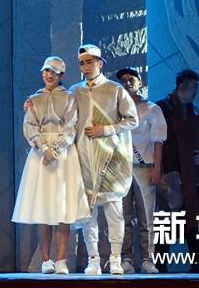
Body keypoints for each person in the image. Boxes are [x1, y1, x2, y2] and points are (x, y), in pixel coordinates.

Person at [13, 57, 88, 275]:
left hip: (63, 154)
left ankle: (62, 259)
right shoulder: (34, 99)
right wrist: (43, 148)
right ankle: (46, 260)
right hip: (40, 154)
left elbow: (71, 126)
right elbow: (29, 126)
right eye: (46, 71)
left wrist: (56, 148)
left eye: (54, 72)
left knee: (63, 208)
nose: (49, 75)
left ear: (61, 75)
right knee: (43, 208)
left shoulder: (69, 97)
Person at [70, 44, 138, 275]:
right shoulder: (75, 91)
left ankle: (115, 259)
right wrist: (33, 105)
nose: (85, 67)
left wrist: (106, 130)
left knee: (114, 211)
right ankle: (93, 260)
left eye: (90, 62)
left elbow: (132, 120)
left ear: (100, 63)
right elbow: (63, 115)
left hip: (112, 158)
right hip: (84, 159)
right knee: (87, 213)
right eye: (82, 63)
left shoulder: (114, 89)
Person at [154, 68, 199, 272]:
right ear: (181, 87)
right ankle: (160, 265)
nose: (195, 92)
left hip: (192, 174)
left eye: (196, 87)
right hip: (169, 172)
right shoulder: (161, 108)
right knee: (166, 219)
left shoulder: (198, 112)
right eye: (193, 87)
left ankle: (196, 264)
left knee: (194, 217)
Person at [116, 67, 166, 274]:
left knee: (147, 216)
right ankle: (126, 258)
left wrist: (157, 168)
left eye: (131, 79)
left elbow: (159, 141)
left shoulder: (152, 108)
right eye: (123, 80)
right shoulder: (115, 109)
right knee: (123, 217)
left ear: (140, 82)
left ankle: (147, 259)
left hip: (144, 168)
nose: (127, 83)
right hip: (121, 169)